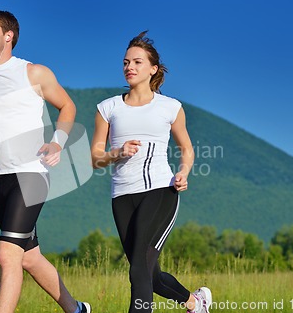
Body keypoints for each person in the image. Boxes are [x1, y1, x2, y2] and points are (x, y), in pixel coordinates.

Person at [0, 10, 91, 313]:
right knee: (28, 257)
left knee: (8, 255)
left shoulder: (33, 73)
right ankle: (76, 310)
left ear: (8, 35)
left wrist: (57, 142)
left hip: (30, 174)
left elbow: (67, 106)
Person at [90, 31, 212, 313]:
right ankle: (196, 303)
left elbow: (187, 148)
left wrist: (183, 172)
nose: (129, 67)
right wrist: (117, 153)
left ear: (153, 69)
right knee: (147, 272)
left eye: (137, 62)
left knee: (138, 272)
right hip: (122, 195)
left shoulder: (170, 107)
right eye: (125, 62)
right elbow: (95, 158)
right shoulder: (107, 108)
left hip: (160, 189)